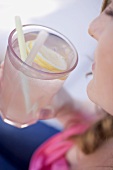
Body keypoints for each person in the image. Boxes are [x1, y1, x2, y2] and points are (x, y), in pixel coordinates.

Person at [0, 0, 113, 169]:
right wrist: (68, 109)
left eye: (111, 15)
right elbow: (98, 122)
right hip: (54, 150)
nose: (92, 28)